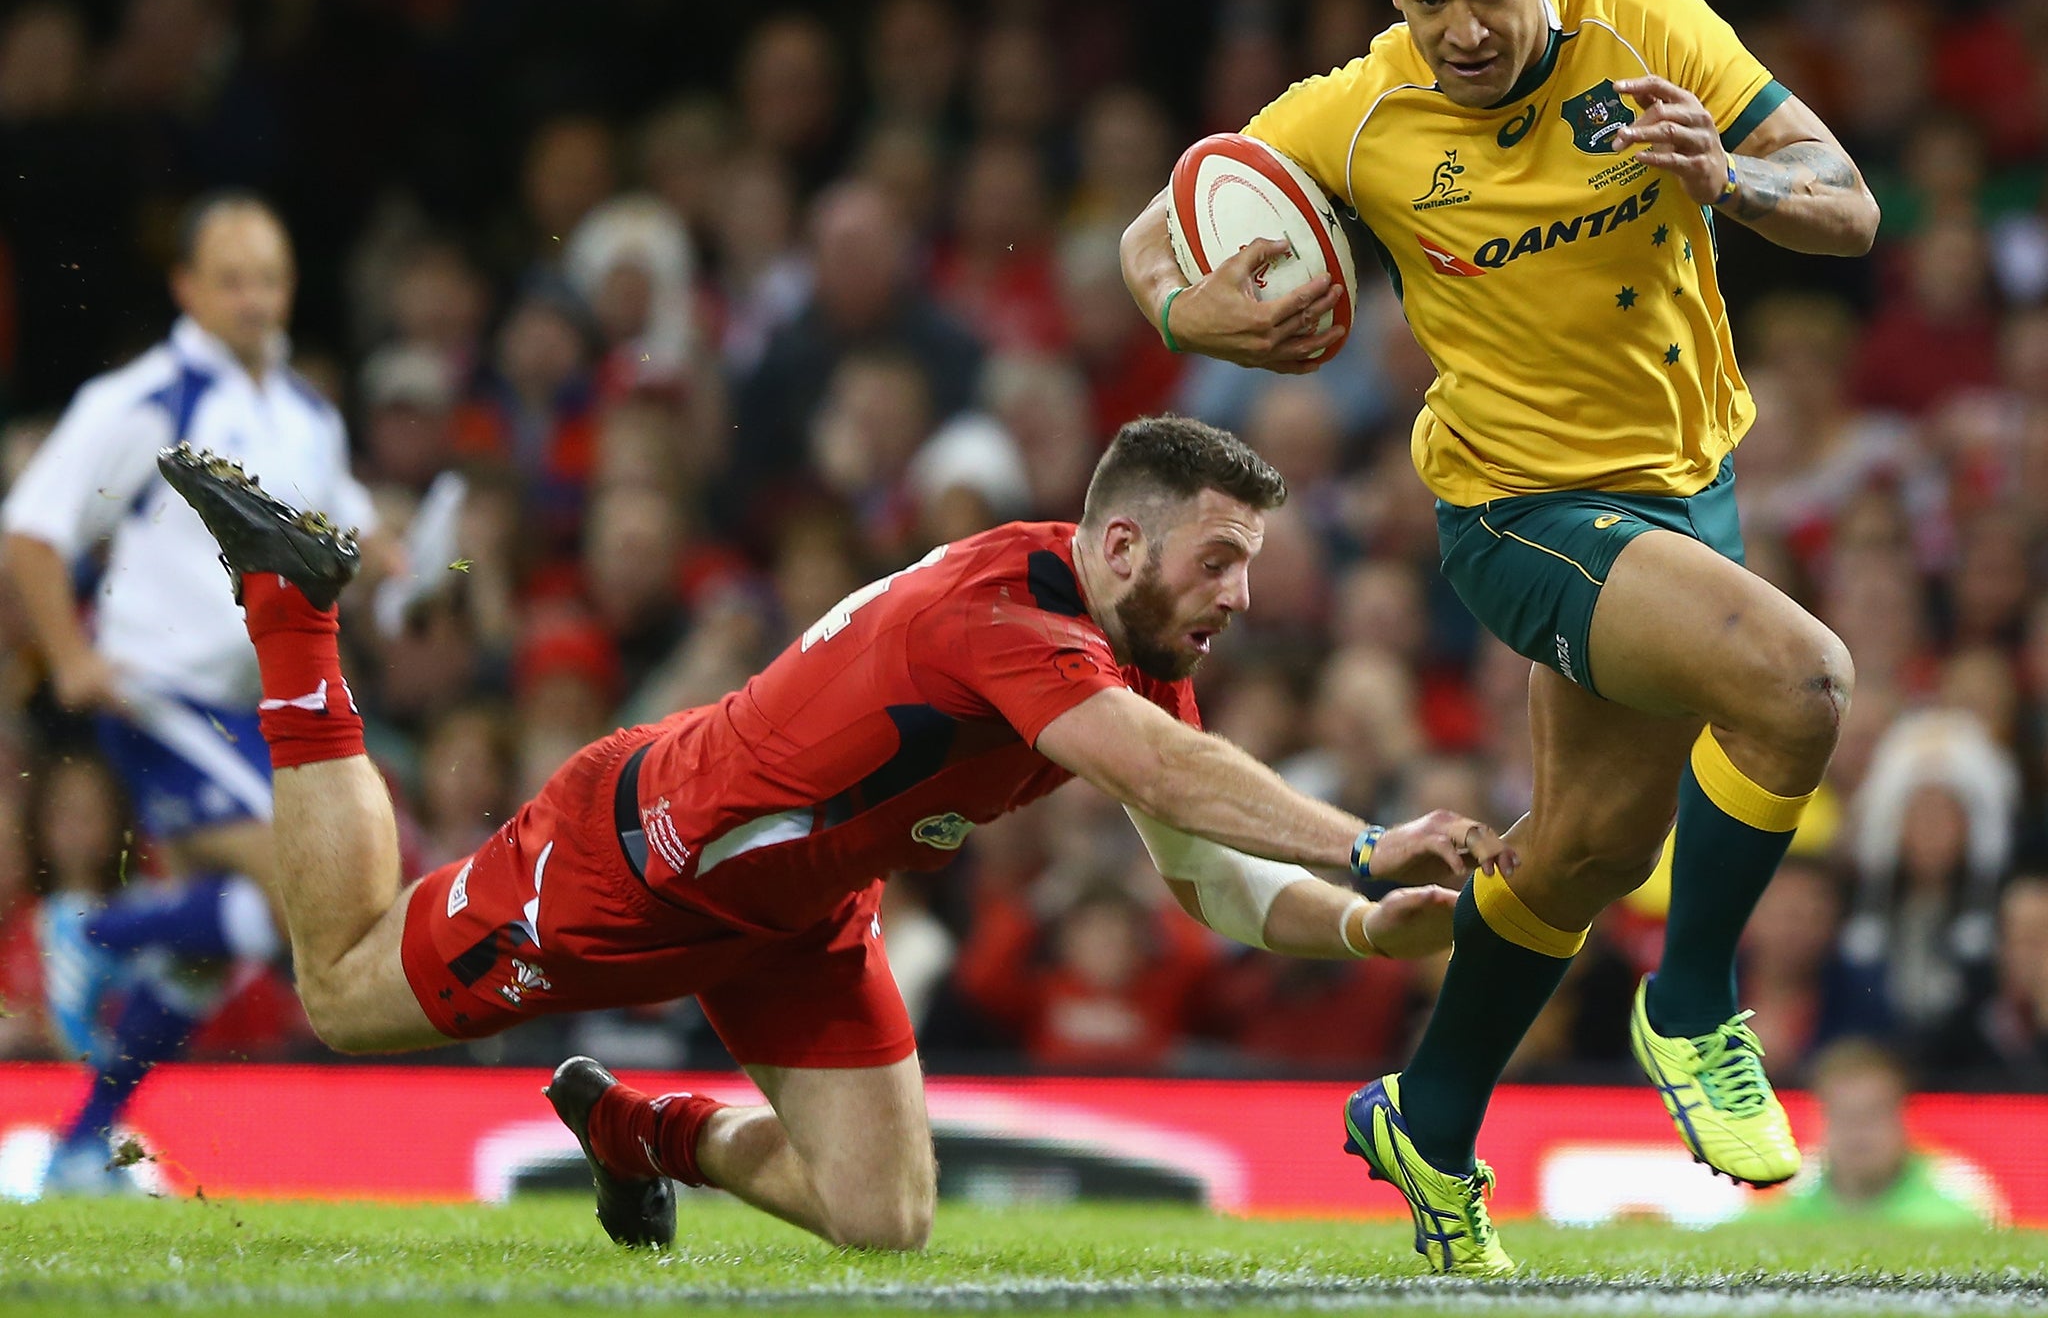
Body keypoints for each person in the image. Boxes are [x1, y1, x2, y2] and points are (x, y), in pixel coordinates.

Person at [155, 414, 1513, 1252]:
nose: (1242, 594)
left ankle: (644, 1135)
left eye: (1252, 566)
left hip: (802, 913)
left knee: (886, 1218)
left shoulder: (1131, 657)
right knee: (339, 988)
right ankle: (293, 608)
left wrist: (1350, 921)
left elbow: (1204, 867)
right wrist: (1365, 839)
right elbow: (1160, 767)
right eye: (1217, 559)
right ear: (1114, 546)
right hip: (633, 872)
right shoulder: (1008, 624)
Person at [1120, 0, 1878, 1274]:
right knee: (1803, 687)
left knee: (1587, 851)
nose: (1462, 28)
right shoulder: (1356, 113)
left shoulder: (1647, 23)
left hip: (1684, 492)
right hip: (1518, 512)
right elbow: (1151, 233)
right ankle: (1697, 1003)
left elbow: (1849, 200)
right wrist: (1188, 318)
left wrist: (1731, 175)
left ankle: (1430, 1114)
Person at [0, 191, 377, 1194]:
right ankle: (93, 932)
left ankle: (85, 1142)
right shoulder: (147, 400)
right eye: (233, 281)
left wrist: (415, 567)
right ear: (187, 289)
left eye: (269, 279)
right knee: (315, 895)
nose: (255, 301)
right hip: (162, 697)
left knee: (231, 939)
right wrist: (70, 659)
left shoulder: (304, 414)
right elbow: (33, 528)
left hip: (258, 708)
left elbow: (343, 545)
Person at [1744, 1039, 1994, 1226]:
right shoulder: (1789, 1201)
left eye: (1872, 1114)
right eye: (1843, 1116)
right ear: (1819, 1120)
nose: (1857, 1132)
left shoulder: (1955, 1207)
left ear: (1904, 1118)